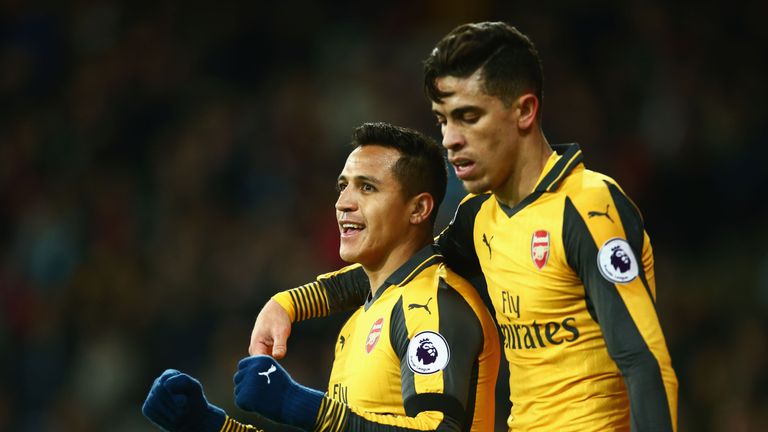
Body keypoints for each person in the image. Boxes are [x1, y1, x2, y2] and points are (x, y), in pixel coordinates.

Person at [249, 22, 678, 432]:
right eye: (442, 120)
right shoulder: (481, 216)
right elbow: (404, 271)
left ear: (524, 111)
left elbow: (642, 360)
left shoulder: (586, 206)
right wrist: (291, 304)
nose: (450, 139)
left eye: (468, 117)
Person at [142, 122, 500, 432]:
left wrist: (300, 405)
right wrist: (210, 425)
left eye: (367, 187)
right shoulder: (361, 319)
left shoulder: (431, 307)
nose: (343, 202)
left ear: (419, 208)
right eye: (343, 186)